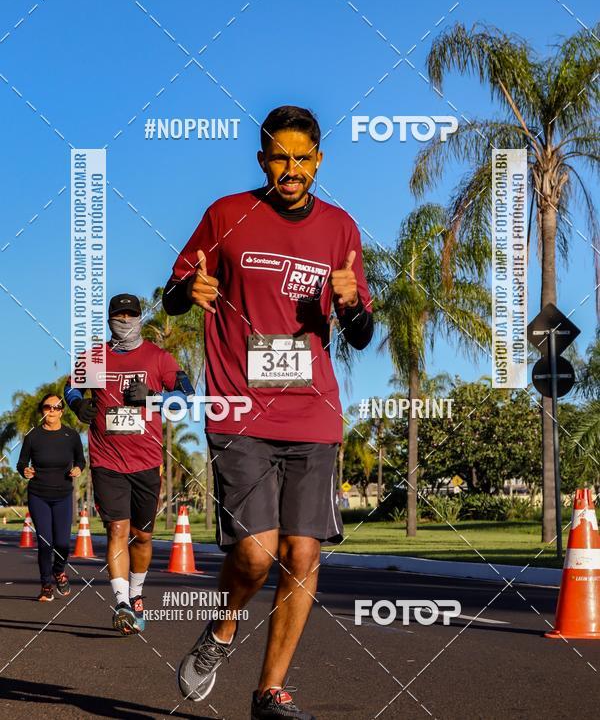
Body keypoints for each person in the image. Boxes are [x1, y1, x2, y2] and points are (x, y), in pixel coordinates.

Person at [163, 105, 373, 719]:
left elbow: (359, 333)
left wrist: (352, 306)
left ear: (319, 161)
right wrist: (187, 291)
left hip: (313, 413)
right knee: (256, 552)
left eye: (302, 158)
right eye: (279, 157)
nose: (291, 169)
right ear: (262, 160)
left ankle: (269, 693)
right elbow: (177, 291)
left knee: (303, 555)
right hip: (240, 409)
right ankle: (222, 631)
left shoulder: (340, 228)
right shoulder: (227, 215)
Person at [64, 293, 195, 635]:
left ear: (139, 317)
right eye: (118, 315)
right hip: (107, 459)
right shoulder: (94, 357)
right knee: (117, 531)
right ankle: (122, 602)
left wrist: (153, 397)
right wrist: (78, 406)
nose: (124, 320)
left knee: (143, 536)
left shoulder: (158, 357)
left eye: (130, 315)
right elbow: (70, 389)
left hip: (147, 461)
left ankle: (137, 594)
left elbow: (188, 396)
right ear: (109, 320)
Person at [16, 394, 86, 602]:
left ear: (62, 411)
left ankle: (59, 571)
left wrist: (78, 468)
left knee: (63, 543)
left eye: (56, 407)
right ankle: (46, 585)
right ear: (42, 411)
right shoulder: (33, 436)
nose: (52, 411)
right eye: (48, 407)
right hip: (39, 495)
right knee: (45, 543)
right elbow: (21, 463)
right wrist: (25, 471)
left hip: (63, 495)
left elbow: (81, 460)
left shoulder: (71, 436)